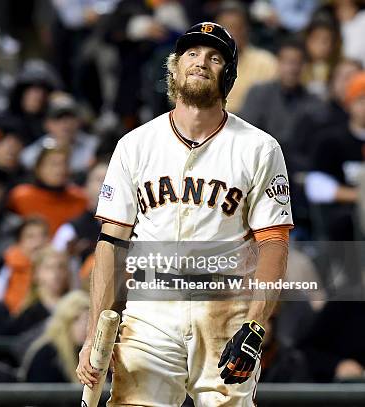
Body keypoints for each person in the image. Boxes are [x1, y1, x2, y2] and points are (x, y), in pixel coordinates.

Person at [76, 22, 292, 406]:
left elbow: (274, 242)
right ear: (173, 68)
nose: (201, 62)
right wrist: (96, 329)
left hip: (226, 311)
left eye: (214, 57)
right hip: (150, 311)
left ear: (228, 76)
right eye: (191, 54)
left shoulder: (260, 148)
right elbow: (111, 242)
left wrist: (256, 325)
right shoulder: (135, 145)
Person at [305, 71, 365, 240]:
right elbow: (315, 186)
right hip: (345, 221)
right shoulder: (331, 140)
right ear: (349, 104)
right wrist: (360, 196)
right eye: (361, 99)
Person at [239, 38, 320, 149]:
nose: (292, 69)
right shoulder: (258, 93)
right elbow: (246, 133)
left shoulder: (314, 102)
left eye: (297, 63)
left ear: (305, 66)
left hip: (298, 163)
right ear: (278, 63)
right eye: (287, 62)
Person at [8, 146, 88, 235]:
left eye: (64, 164)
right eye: (54, 164)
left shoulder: (80, 199)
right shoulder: (19, 196)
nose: (60, 170)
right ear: (39, 168)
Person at [215, 1, 278, 113]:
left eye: (236, 27)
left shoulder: (266, 62)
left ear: (246, 29)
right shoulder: (203, 63)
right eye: (225, 28)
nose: (231, 33)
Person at [20, 93, 99, 174]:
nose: (65, 123)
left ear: (79, 121)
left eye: (70, 117)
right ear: (47, 124)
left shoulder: (95, 146)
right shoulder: (33, 154)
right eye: (58, 117)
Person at [21, 290, 89, 383]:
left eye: (88, 319)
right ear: (64, 322)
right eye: (76, 319)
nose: (84, 326)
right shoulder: (47, 355)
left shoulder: (86, 352)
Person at [3, 246, 71, 335]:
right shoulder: (28, 314)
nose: (55, 273)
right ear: (36, 274)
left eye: (60, 267)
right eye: (49, 267)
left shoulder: (76, 309)